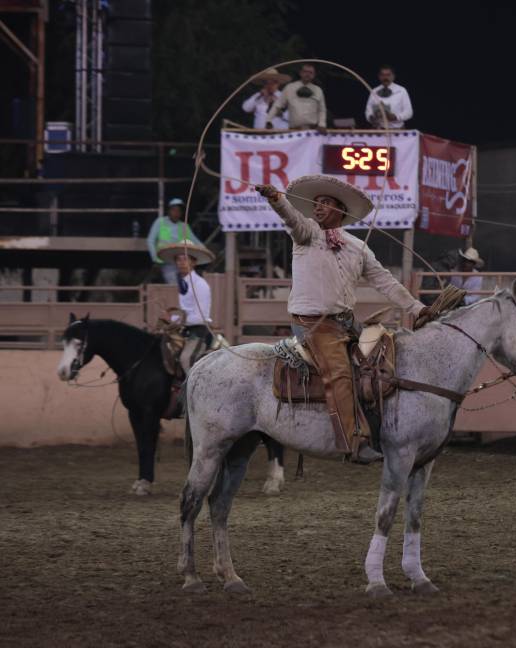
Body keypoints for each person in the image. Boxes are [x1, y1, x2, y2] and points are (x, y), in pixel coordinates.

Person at [254, 175, 428, 464]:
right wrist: (277, 199)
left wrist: (418, 309)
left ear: (340, 211)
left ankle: (386, 428)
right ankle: (353, 441)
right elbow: (291, 219)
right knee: (339, 373)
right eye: (316, 203)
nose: (318, 207)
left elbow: (385, 281)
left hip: (344, 324)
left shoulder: (358, 247)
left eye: (325, 203)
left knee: (381, 359)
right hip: (312, 325)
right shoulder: (306, 233)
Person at [157, 239, 215, 354]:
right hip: (185, 330)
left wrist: (172, 319)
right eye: (178, 259)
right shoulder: (183, 282)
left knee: (185, 359)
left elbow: (200, 317)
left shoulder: (200, 284)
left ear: (193, 262)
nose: (181, 262)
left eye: (185, 259)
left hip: (198, 332)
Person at [146, 199, 203, 284]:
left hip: (180, 260)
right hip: (164, 261)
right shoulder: (160, 222)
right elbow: (150, 240)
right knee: (173, 282)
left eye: (179, 211)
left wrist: (206, 252)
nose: (176, 213)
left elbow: (195, 241)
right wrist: (155, 259)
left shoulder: (184, 226)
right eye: (174, 210)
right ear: (169, 211)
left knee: (189, 282)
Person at [266, 64, 327, 131]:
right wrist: (268, 120)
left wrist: (322, 124)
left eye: (310, 72)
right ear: (300, 73)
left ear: (314, 75)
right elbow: (277, 105)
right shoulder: (289, 88)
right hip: (294, 131)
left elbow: (322, 110)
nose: (307, 74)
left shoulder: (318, 90)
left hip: (312, 130)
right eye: (305, 71)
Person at [365, 65, 414, 129]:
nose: (385, 77)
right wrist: (371, 118)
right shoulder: (374, 91)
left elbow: (409, 112)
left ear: (393, 76)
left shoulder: (401, 90)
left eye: (388, 75)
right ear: (379, 77)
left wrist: (396, 117)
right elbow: (368, 110)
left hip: (397, 130)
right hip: (379, 130)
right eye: (382, 75)